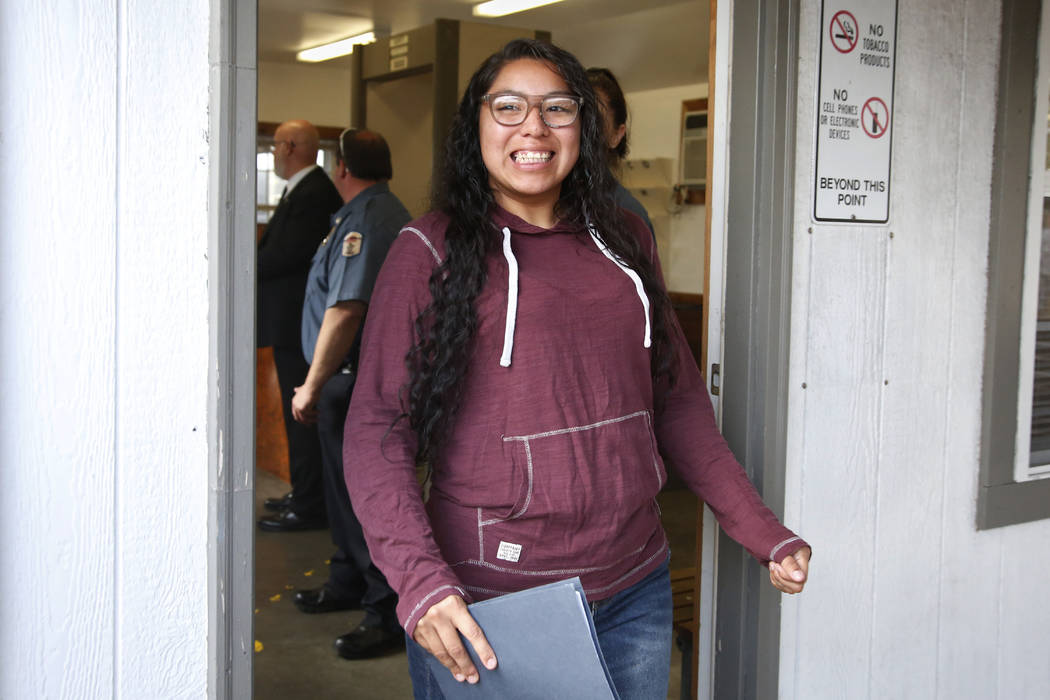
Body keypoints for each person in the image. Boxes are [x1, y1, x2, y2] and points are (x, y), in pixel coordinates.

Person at [344, 39, 811, 699]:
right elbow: (376, 426)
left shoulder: (623, 236)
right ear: (475, 124)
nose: (533, 126)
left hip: (635, 584)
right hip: (493, 601)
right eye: (508, 107)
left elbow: (675, 401)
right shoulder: (428, 250)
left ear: (584, 129)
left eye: (557, 108)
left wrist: (760, 528)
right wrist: (419, 581)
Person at [289, 129, 411, 658]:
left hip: (355, 381)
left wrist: (312, 384)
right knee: (343, 498)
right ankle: (347, 582)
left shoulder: (368, 220)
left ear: (343, 168)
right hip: (346, 380)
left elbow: (346, 309)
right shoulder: (366, 211)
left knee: (365, 501)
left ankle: (384, 611)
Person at [257, 119, 342, 532]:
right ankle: (303, 490)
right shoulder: (302, 191)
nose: (273, 153)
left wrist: (242, 262)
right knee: (296, 417)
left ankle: (310, 503)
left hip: (299, 325)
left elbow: (289, 255)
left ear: (291, 147)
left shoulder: (314, 194)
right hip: (288, 323)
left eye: (275, 146)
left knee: (303, 414)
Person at [586, 66, 655, 236]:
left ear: (616, 135)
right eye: (575, 115)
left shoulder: (629, 217)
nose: (583, 131)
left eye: (596, 121)